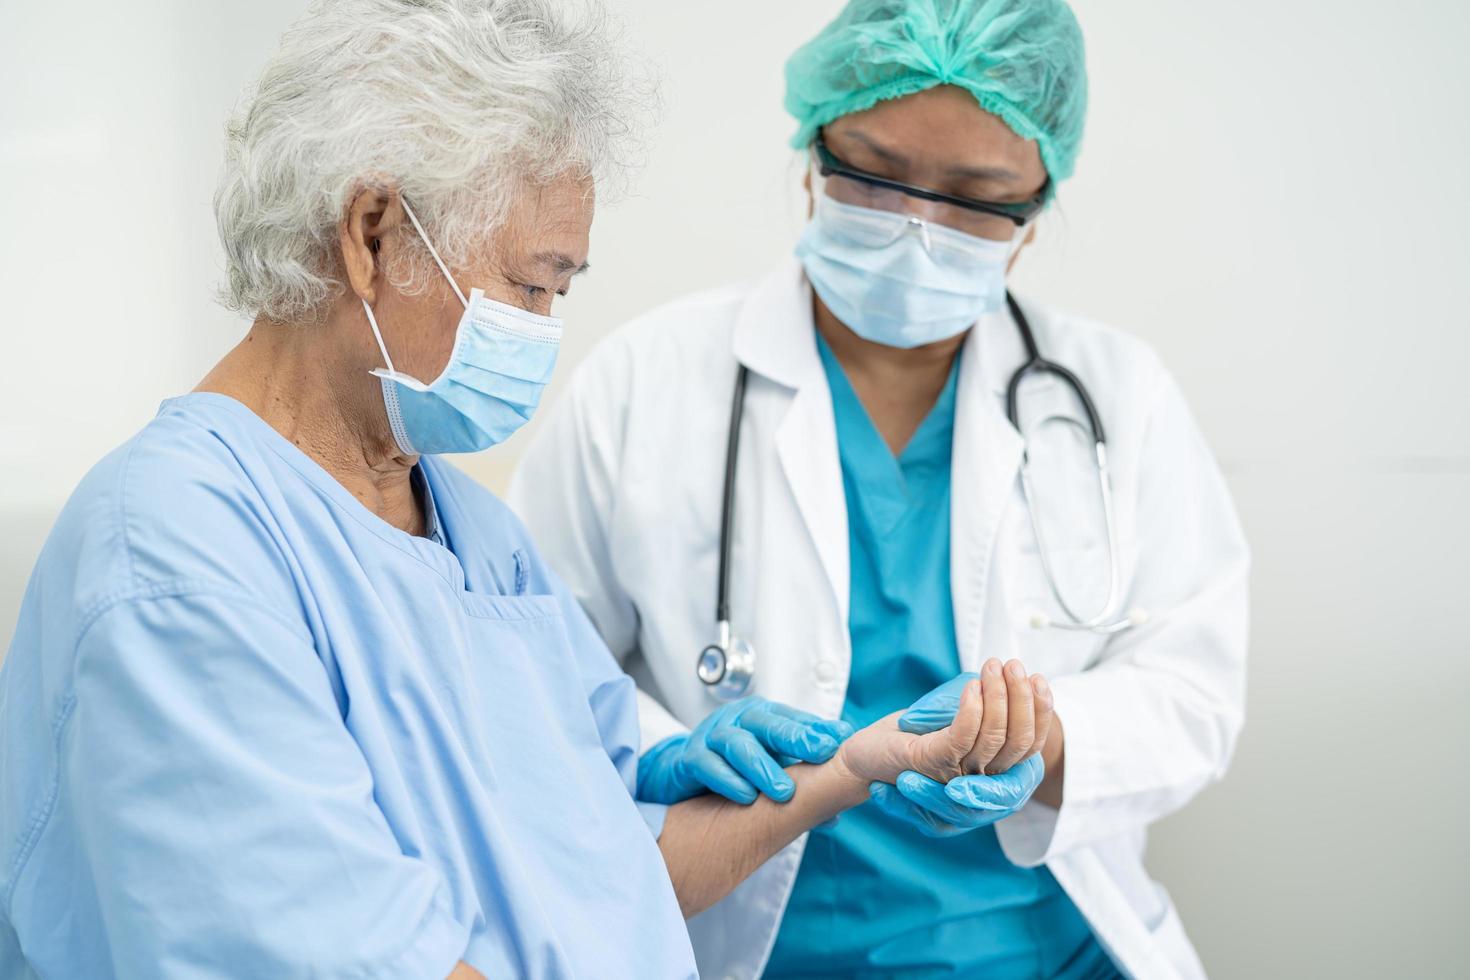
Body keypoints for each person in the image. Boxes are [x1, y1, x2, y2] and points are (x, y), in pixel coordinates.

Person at [0, 1, 1007, 977]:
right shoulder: (177, 555)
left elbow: (620, 865)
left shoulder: (471, 529)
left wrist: (856, 765)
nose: (542, 326)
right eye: (532, 283)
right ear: (374, 231)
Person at [508, 0, 1251, 977]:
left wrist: (1046, 736)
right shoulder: (644, 382)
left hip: (1046, 952)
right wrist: (659, 748)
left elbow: (1193, 690)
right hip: (747, 944)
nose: (919, 229)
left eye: (976, 196)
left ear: (1035, 209)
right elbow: (530, 666)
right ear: (815, 153)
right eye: (876, 177)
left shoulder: (1120, 396)